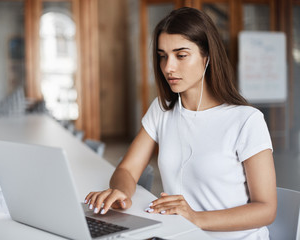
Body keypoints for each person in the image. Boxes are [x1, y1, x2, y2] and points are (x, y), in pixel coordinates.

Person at [85, 7, 277, 240]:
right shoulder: (162, 109)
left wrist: (196, 217)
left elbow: (266, 209)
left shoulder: (246, 120)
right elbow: (127, 169)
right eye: (163, 55)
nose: (168, 67)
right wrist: (120, 192)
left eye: (181, 55)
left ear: (207, 57)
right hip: (182, 234)